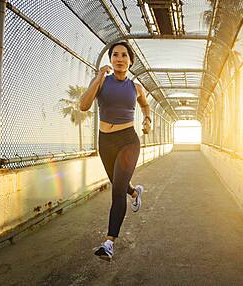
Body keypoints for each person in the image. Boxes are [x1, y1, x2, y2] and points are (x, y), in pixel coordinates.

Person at [80, 41, 151, 261]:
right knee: (117, 183)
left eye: (124, 56)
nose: (119, 59)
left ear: (131, 61)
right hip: (105, 141)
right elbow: (83, 105)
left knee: (116, 191)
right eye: (115, 55)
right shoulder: (101, 82)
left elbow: (145, 105)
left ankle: (109, 242)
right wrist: (99, 77)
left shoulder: (136, 87)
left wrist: (148, 119)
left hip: (128, 140)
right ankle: (135, 192)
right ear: (110, 59)